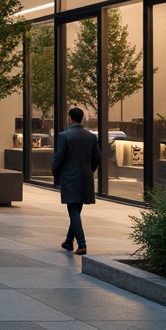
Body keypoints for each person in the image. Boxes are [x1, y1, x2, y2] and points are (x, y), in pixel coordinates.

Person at [52, 106, 100, 255]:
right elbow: (97, 157)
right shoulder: (91, 137)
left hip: (70, 177)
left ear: (69, 118)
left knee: (73, 209)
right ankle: (68, 241)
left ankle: (81, 244)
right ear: (82, 119)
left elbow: (59, 157)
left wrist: (55, 172)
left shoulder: (64, 136)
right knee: (76, 209)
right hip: (85, 177)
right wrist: (89, 170)